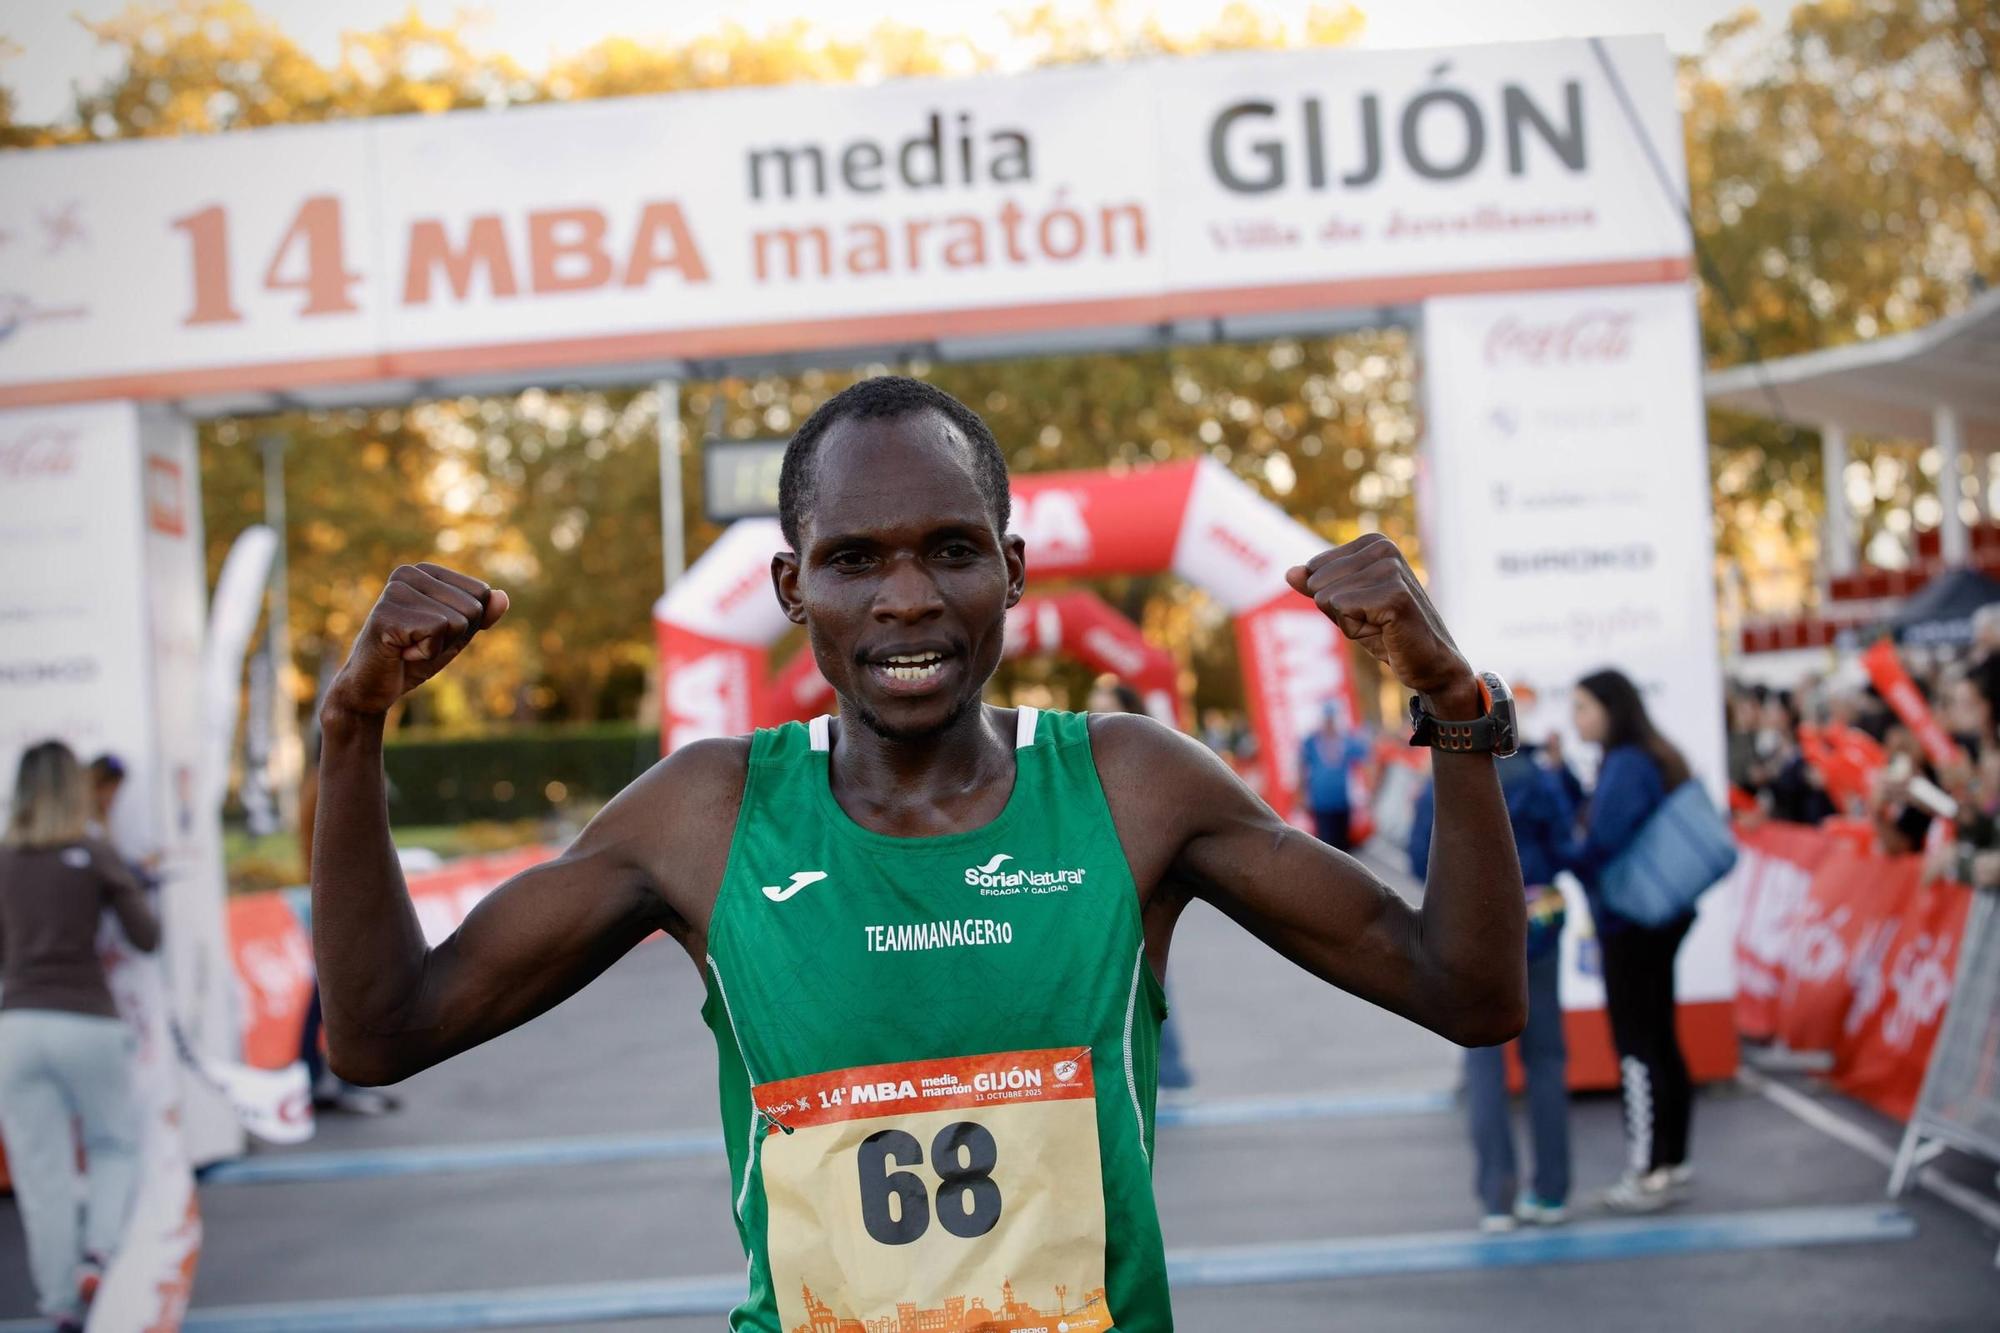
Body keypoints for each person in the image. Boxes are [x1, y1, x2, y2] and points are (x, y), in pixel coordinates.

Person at [312, 375, 1526, 1331]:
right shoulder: (707, 813)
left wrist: (1451, 705)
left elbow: (1466, 990)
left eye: (949, 549)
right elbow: (383, 1031)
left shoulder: (1128, 784)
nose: (905, 598)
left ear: (1009, 568)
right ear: (792, 585)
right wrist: (350, 732)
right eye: (854, 559)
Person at [0, 741, 160, 1332]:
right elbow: (146, 936)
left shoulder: (4, 858)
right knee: (113, 1145)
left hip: (16, 1025)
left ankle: (57, 1305)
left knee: (41, 1176)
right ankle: (98, 1252)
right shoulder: (94, 852)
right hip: (88, 1019)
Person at [1409, 725, 1573, 1232]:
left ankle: (1496, 1197)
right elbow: (1566, 845)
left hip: (1473, 930)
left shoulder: (1441, 783)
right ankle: (1552, 1192)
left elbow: (1419, 857)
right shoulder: (1538, 778)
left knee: (1483, 1062)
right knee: (1545, 1058)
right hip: (1538, 923)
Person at [1560, 669, 1698, 1213]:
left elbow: (1599, 845)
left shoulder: (1626, 764)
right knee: (1660, 1036)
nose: (1576, 719)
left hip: (1629, 923)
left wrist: (1547, 851)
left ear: (1610, 710)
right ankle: (1673, 1160)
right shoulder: (1645, 758)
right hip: (1654, 920)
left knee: (1637, 1047)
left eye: (1583, 708)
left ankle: (1647, 1170)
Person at [1086, 678, 1193, 1093]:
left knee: (1146, 979)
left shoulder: (1146, 760)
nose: (1096, 715)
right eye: (1092, 706)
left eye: (1105, 706)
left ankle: (1169, 1072)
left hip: (1139, 885)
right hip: (1102, 887)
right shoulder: (1085, 757)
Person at [1299, 702, 1371, 851]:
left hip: (1341, 801)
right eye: (1327, 719)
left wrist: (1367, 790)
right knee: (1326, 844)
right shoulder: (1311, 741)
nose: (1330, 723)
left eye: (1332, 719)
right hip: (1321, 802)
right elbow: (1302, 767)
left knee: (1343, 844)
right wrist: (1302, 795)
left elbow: (1365, 757)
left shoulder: (1346, 740)